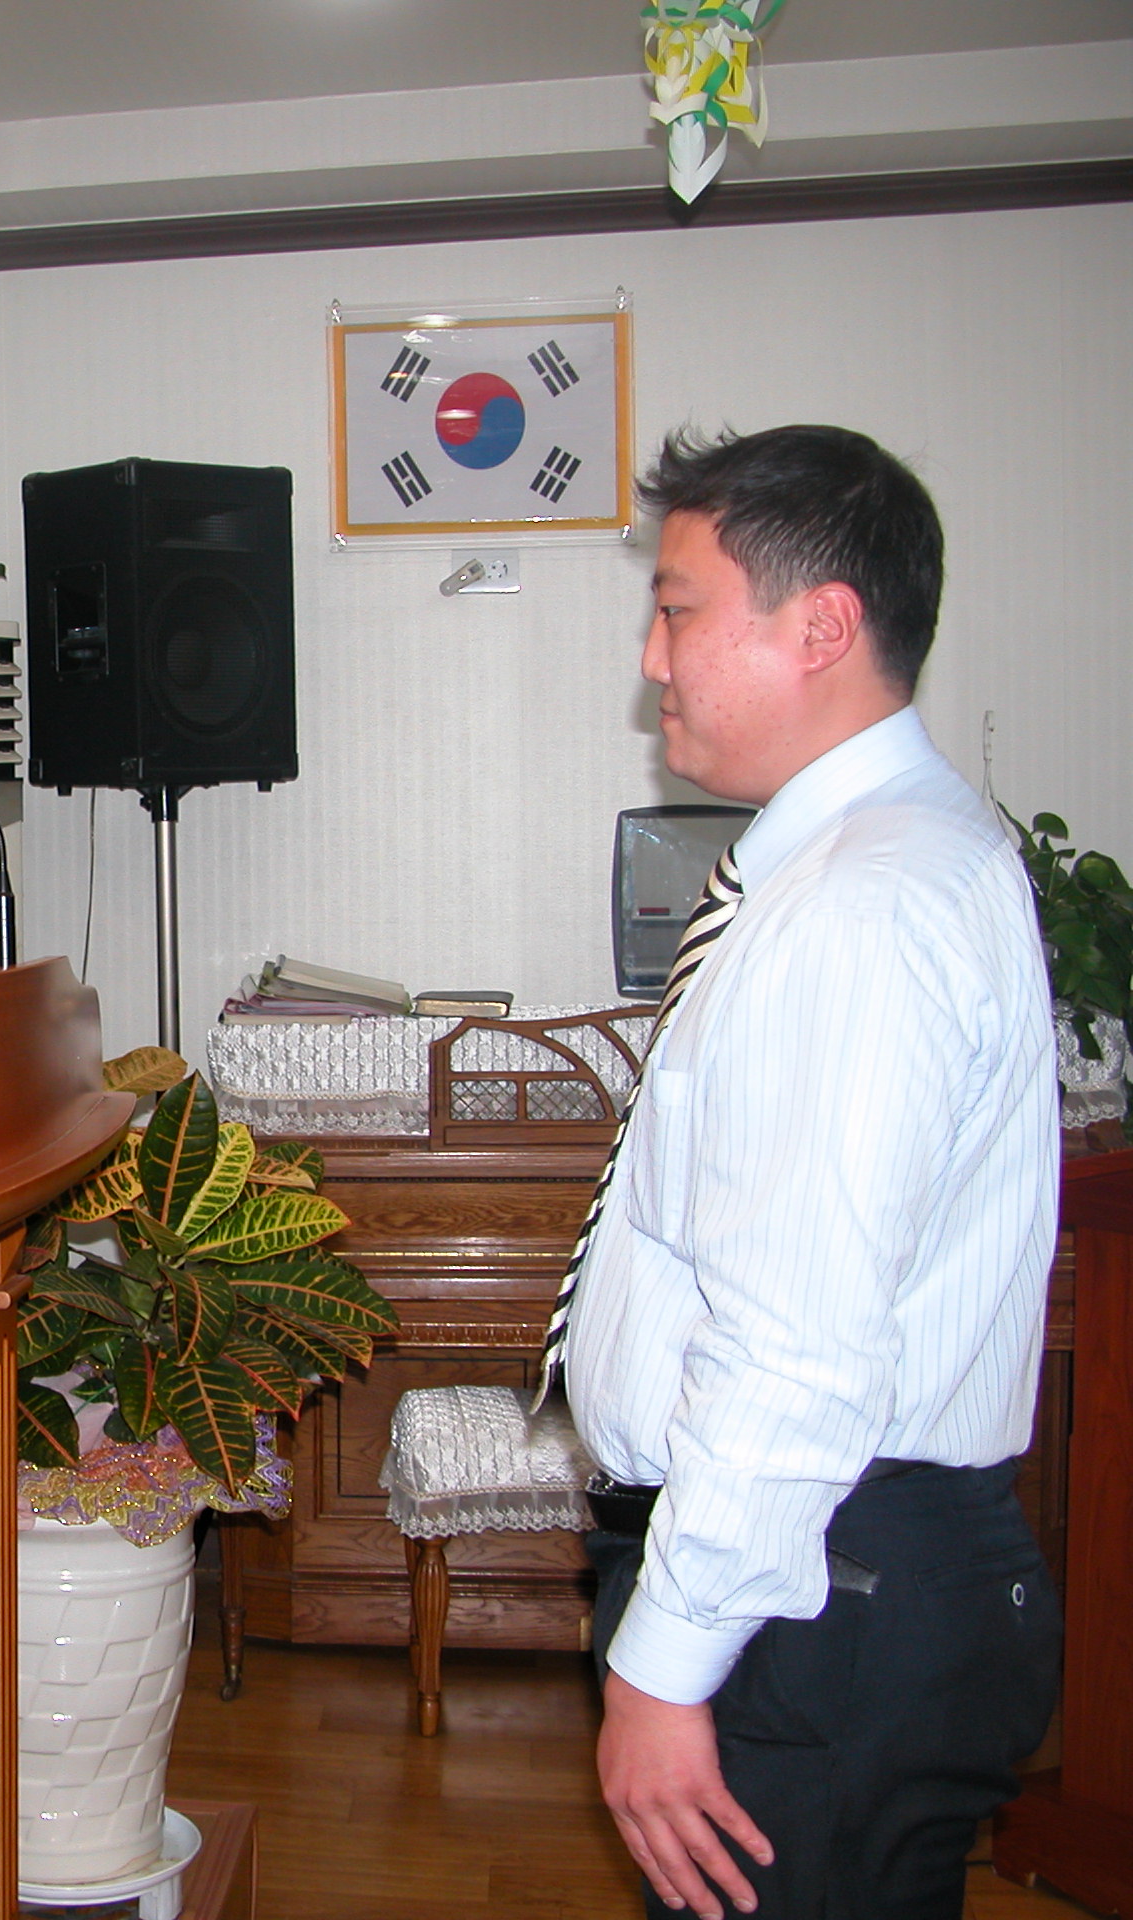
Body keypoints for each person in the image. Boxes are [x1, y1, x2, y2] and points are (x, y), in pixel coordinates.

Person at [564, 425, 1062, 1919]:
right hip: (835, 1570)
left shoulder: (861, 908)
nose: (654, 658)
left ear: (823, 624)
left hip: (821, 1586)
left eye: (679, 609)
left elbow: (794, 1345)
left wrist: (665, 1665)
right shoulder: (880, 861)